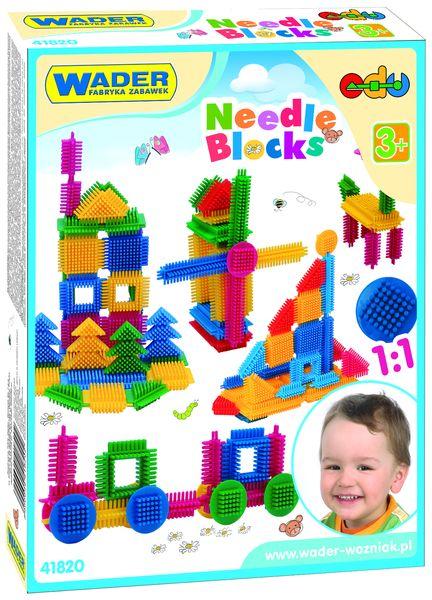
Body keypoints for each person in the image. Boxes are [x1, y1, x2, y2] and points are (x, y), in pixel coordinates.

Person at [320, 393, 410, 534]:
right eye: (334, 467)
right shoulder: (321, 528)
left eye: (364, 467)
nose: (345, 481)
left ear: (397, 477)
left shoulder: (406, 533)